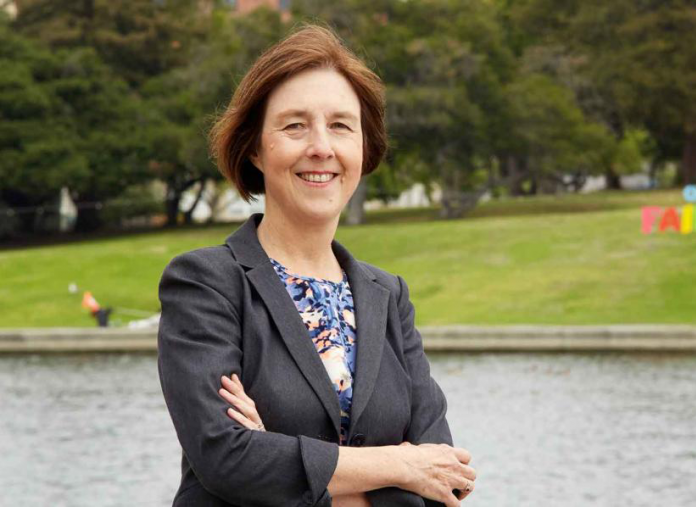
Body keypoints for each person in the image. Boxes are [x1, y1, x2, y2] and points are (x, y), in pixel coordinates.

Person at [157, 25, 476, 507]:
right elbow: (226, 458)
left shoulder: (388, 297)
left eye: (341, 126)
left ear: (363, 148)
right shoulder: (206, 284)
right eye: (294, 126)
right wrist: (400, 464)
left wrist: (283, 459)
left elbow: (446, 480)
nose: (321, 147)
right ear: (255, 149)